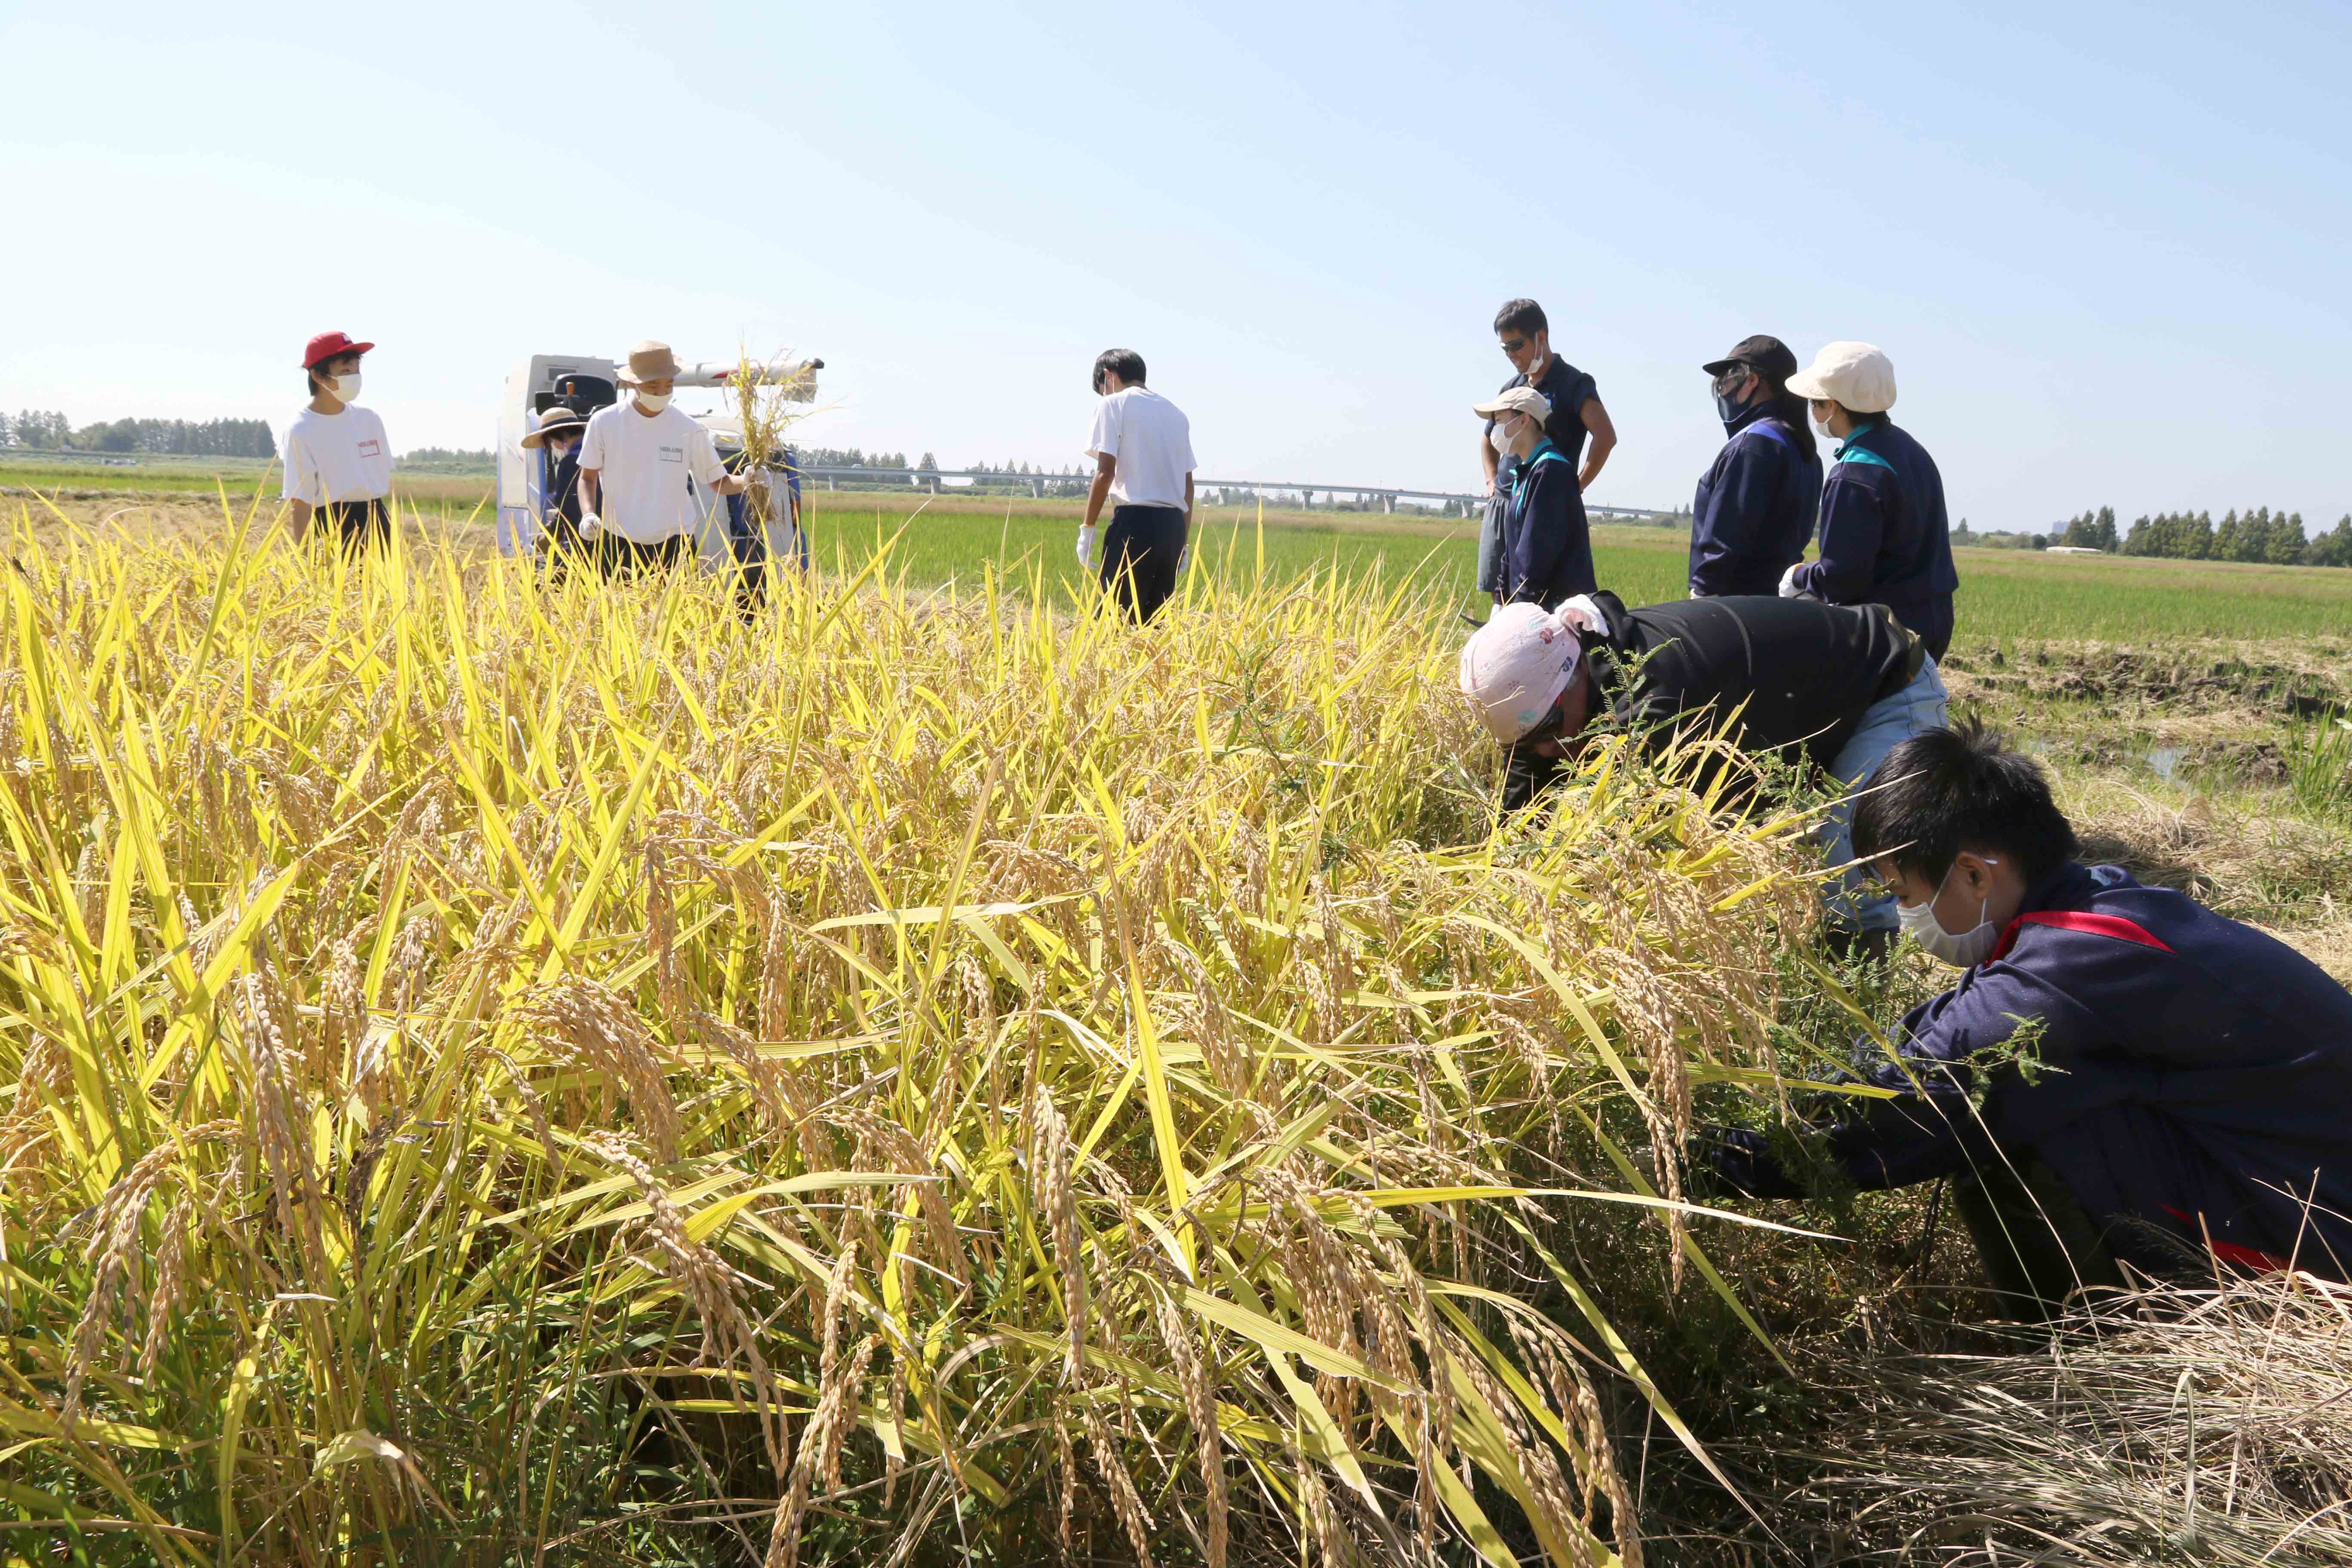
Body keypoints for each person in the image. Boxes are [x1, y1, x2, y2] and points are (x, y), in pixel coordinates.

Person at [1697, 723, 2352, 1312]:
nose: (1903, 917)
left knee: (2003, 1114)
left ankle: (2095, 1352)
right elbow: (1935, 1034)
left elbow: (1908, 1104)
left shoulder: (2065, 973)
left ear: (1976, 876)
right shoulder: (2093, 908)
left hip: (2321, 1231)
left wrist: (1704, 1158)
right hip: (2295, 1165)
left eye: (1904, 895)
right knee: (2018, 1089)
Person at [1456, 592, 1948, 945]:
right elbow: (1523, 816)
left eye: (1550, 730)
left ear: (1574, 673)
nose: (1544, 751)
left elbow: (1649, 845)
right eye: (1527, 742)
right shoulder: (1547, 693)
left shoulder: (1658, 708)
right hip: (1799, 717)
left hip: (1887, 687)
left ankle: (1862, 1040)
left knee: (1845, 863)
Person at [1781, 342, 1959, 660]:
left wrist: (1798, 576)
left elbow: (1841, 580)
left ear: (1832, 406)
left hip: (1889, 631)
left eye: (1814, 403)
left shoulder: (1853, 475)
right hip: (1934, 618)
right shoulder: (1911, 451)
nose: (1812, 412)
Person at [1475, 300, 1615, 606]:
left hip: (1544, 503)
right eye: (1505, 349)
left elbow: (1605, 437)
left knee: (1539, 593)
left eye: (1517, 345)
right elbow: (1488, 440)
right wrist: (1490, 482)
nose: (1512, 355)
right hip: (1506, 501)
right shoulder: (1511, 387)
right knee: (1500, 596)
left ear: (1541, 337)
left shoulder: (1573, 383)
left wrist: (1575, 485)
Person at [575, 341, 753, 578]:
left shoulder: (688, 428)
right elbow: (588, 478)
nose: (661, 393)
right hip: (619, 541)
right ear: (633, 384)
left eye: (668, 386)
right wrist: (588, 514)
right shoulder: (605, 422)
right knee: (620, 612)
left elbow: (719, 482)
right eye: (653, 386)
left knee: (677, 613)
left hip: (675, 543)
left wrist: (749, 480)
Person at [1689, 335, 1822, 597]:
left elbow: (1726, 538)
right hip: (1777, 602)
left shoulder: (1753, 445)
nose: (1722, 392)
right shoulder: (1803, 448)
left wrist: (1703, 594)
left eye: (1724, 382)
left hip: (1734, 605)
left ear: (1751, 381)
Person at [1078, 349, 1195, 623]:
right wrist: (1184, 544)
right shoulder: (1177, 415)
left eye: (1102, 390)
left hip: (1134, 525)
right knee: (1153, 626)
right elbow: (1188, 486)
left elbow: (1105, 474)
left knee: (1112, 622)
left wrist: (1088, 530)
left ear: (1108, 377)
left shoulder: (1112, 405)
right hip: (1173, 527)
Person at [1474, 386, 1593, 606]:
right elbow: (1513, 548)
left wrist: (1520, 609)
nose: (1495, 431)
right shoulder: (1527, 471)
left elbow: (1536, 554)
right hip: (1527, 604)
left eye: (1500, 421)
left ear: (1524, 420)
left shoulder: (1550, 470)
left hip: (1551, 612)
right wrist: (1501, 599)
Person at [282, 331, 392, 550]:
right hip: (332, 527)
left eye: (355, 370)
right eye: (345, 371)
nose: (354, 377)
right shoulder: (301, 429)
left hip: (378, 523)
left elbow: (384, 479)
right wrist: (306, 558)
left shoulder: (369, 420)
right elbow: (300, 501)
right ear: (318, 376)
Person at [521, 405, 588, 565]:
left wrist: (550, 534)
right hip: (616, 540)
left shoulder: (572, 462)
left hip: (583, 544)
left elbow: (569, 513)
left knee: (551, 586)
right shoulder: (600, 453)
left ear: (556, 440)